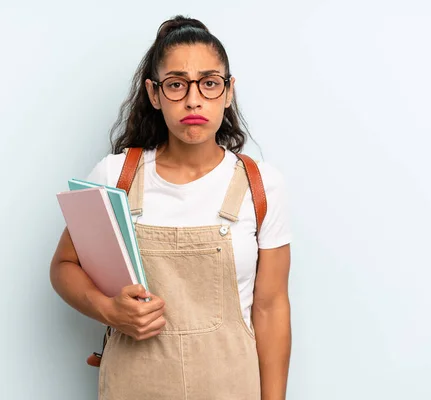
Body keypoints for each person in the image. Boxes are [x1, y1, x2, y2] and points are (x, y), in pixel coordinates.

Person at [50, 15, 292, 400]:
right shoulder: (116, 176)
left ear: (228, 92)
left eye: (209, 83)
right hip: (135, 386)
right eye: (177, 84)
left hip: (232, 386)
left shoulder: (260, 185)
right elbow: (64, 267)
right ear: (154, 93)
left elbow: (271, 307)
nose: (193, 99)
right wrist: (109, 311)